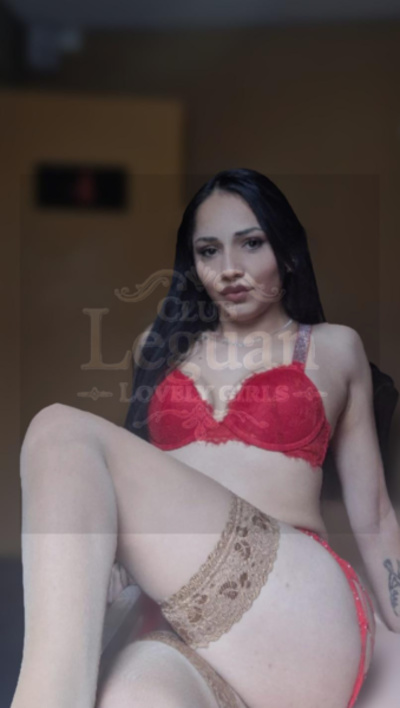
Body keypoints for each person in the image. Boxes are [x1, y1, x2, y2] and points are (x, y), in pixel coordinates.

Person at [11, 168, 400, 708]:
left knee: (58, 430)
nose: (229, 268)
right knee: (133, 698)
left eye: (251, 243)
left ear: (287, 253)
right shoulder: (158, 349)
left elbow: (375, 516)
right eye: (209, 251)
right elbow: (136, 496)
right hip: (180, 624)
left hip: (299, 613)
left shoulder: (334, 348)